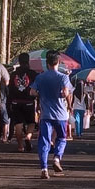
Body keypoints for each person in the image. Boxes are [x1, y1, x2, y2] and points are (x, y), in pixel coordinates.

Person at [30, 50, 73, 179]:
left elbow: (32, 92)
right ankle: (57, 158)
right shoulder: (63, 77)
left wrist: (41, 94)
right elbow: (66, 93)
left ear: (47, 64)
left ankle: (44, 168)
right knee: (61, 138)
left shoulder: (40, 77)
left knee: (44, 141)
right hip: (60, 115)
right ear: (58, 63)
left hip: (45, 114)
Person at [8, 53, 38, 152]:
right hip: (29, 101)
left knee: (18, 124)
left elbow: (10, 89)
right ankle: (28, 137)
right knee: (31, 122)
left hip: (16, 102)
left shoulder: (13, 74)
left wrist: (9, 103)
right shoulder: (33, 74)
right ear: (28, 61)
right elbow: (36, 89)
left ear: (19, 61)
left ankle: (20, 146)